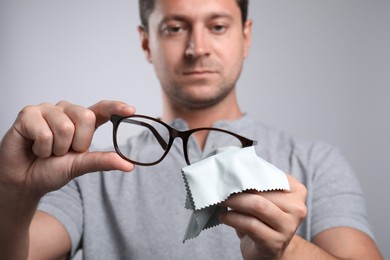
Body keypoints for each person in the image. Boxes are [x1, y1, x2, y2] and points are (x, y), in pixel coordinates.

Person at [0, 0, 383, 259]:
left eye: (217, 26)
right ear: (146, 42)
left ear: (245, 36)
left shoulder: (316, 162)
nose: (197, 48)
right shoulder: (89, 172)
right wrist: (13, 191)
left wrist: (288, 250)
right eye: (174, 28)